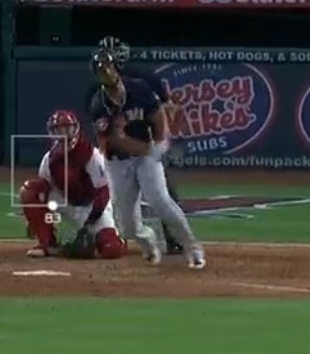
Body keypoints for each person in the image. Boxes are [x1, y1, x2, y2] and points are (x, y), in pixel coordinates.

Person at [87, 48, 204, 269]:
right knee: (128, 226)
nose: (107, 73)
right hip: (118, 162)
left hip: (146, 158)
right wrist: (149, 149)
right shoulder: (98, 105)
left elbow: (157, 114)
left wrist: (160, 142)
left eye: (109, 67)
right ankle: (148, 242)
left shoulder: (138, 89)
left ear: (116, 68)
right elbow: (115, 140)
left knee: (160, 201)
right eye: (101, 70)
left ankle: (192, 247)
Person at [19, 110, 126, 260]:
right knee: (30, 190)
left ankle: (110, 240)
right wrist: (34, 219)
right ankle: (47, 243)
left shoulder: (91, 155)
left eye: (67, 129)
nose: (64, 133)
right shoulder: (49, 159)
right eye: (59, 130)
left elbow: (103, 192)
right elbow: (42, 190)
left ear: (75, 129)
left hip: (93, 206)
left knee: (111, 250)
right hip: (67, 203)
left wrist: (89, 224)